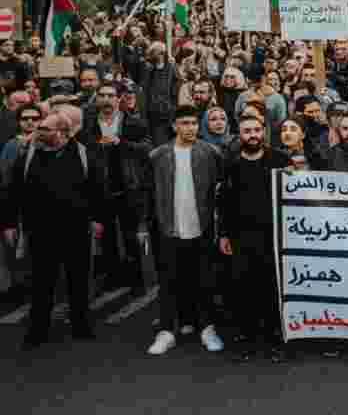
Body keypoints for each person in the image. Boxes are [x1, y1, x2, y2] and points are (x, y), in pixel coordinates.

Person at [1, 111, 104, 349]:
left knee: (77, 280)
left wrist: (98, 219)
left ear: (62, 133)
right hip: (39, 231)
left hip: (75, 230)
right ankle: (38, 329)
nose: (38, 131)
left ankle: (81, 325)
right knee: (40, 282)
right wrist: (7, 223)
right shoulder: (28, 155)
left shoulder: (82, 154)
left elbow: (97, 189)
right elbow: (12, 190)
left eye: (45, 128)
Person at [145, 105, 225, 356]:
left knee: (204, 280)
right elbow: (147, 194)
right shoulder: (158, 155)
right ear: (174, 126)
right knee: (168, 281)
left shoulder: (211, 152)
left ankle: (207, 329)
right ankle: (167, 331)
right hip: (168, 228)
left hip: (202, 227)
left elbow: (220, 192)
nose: (189, 128)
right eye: (184, 124)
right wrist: (143, 226)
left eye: (193, 123)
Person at [218, 114, 290, 363]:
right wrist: (224, 234)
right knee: (244, 289)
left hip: (275, 236)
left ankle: (275, 340)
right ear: (240, 134)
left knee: (272, 289)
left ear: (264, 132)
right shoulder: (231, 164)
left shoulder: (280, 160)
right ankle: (248, 339)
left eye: (256, 130)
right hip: (241, 237)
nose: (252, 135)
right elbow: (224, 202)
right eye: (247, 131)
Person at [80, 81, 152, 294]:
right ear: (97, 99)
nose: (106, 100)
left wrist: (121, 143)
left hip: (128, 186)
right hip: (100, 187)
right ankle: (113, 277)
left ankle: (137, 280)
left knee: (131, 236)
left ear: (119, 98)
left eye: (111, 95)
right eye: (102, 95)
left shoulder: (133, 122)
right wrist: (96, 147)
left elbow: (147, 147)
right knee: (107, 237)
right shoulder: (89, 123)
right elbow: (84, 149)